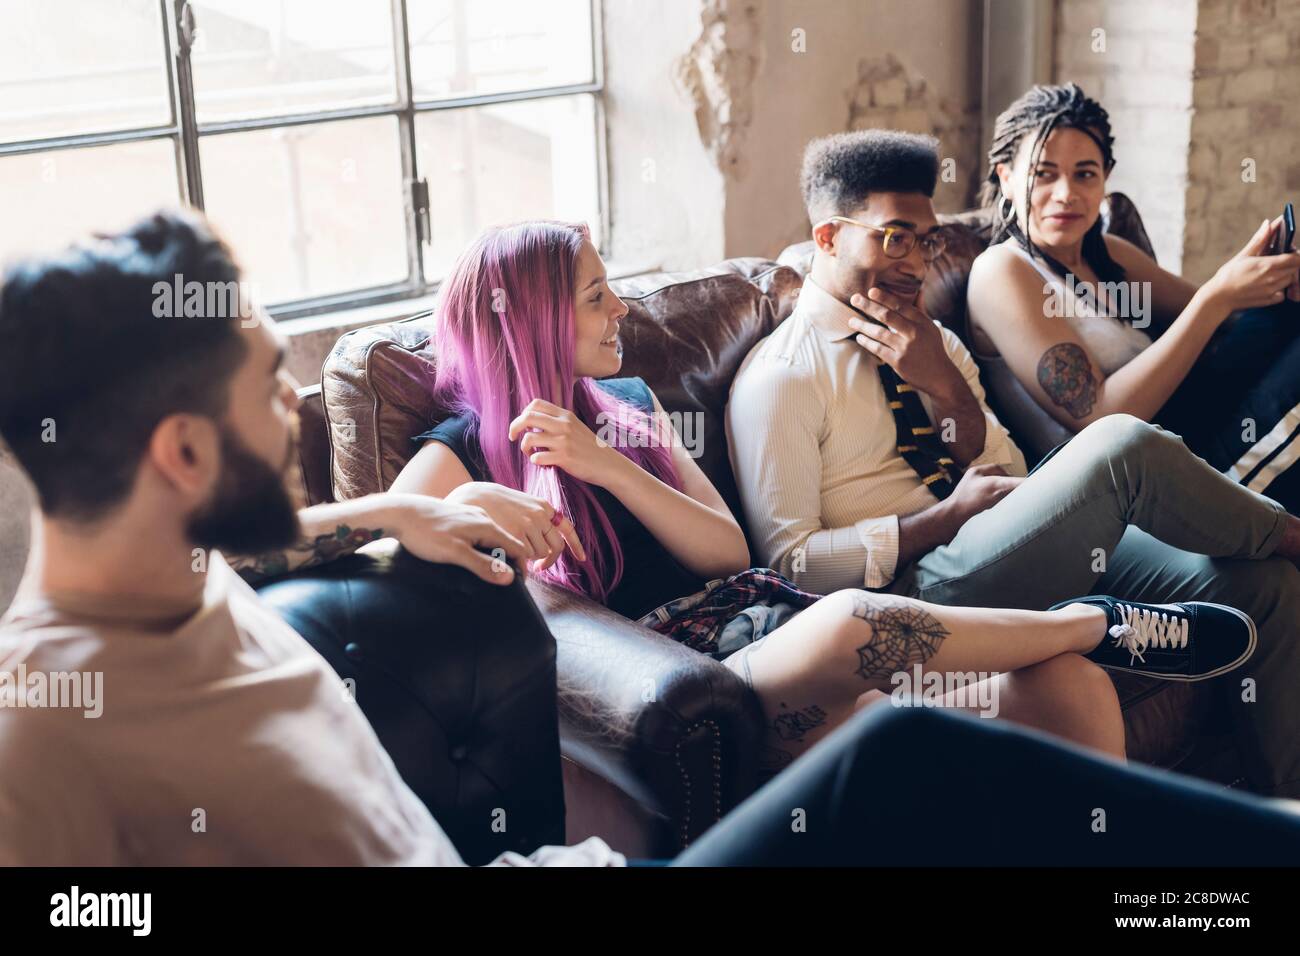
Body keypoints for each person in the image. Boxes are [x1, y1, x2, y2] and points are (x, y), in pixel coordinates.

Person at [390, 219, 1259, 775]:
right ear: (532, 320)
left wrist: (610, 464)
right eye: (595, 296)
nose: (619, 307)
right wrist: (488, 516)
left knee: (1072, 691)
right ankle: (1093, 622)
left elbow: (727, 552)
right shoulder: (461, 453)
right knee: (849, 623)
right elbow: (377, 569)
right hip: (690, 684)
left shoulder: (629, 407)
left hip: (761, 624)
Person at [725, 128, 1300, 800]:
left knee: (1263, 585)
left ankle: (1280, 813)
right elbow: (791, 564)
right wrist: (943, 520)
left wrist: (945, 387)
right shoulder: (782, 378)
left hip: (1002, 551)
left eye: (926, 241)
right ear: (828, 237)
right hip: (912, 599)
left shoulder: (935, 342)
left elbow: (1006, 468)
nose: (916, 263)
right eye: (895, 238)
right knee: (1121, 446)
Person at [966, 83, 1300, 507]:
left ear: (1105, 178)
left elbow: (1225, 323)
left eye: (1085, 174)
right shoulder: (1002, 271)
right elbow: (1101, 420)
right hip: (1140, 481)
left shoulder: (1106, 253)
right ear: (1007, 178)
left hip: (1194, 428)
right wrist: (1216, 297)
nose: (1066, 193)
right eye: (1043, 174)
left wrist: (1265, 283)